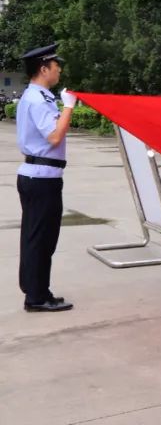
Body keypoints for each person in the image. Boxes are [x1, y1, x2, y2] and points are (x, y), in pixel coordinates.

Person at [16, 43, 76, 313]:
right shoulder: (38, 100)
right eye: (55, 65)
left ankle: (38, 289)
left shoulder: (39, 97)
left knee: (40, 238)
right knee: (40, 239)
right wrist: (69, 107)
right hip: (41, 179)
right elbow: (54, 136)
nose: (59, 69)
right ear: (44, 69)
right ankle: (36, 296)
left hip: (42, 176)